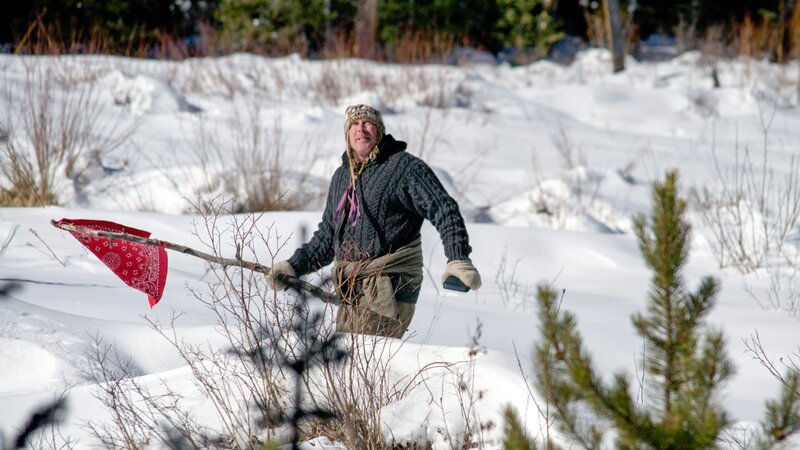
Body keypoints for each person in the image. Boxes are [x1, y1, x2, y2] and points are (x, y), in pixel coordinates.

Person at [267, 104, 481, 338]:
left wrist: (458, 257)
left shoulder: (404, 169)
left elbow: (443, 208)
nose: (361, 129)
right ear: (347, 134)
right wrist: (294, 266)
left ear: (379, 130)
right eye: (354, 124)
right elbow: (328, 236)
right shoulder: (342, 177)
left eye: (368, 123)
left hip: (389, 289)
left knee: (365, 365)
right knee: (354, 371)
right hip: (352, 293)